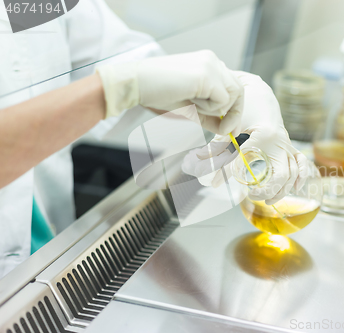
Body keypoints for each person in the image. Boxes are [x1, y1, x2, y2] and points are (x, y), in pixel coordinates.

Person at [0, 0, 306, 278]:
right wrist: (118, 88)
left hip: (45, 258)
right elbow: (125, 80)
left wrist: (239, 92)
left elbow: (121, 58)